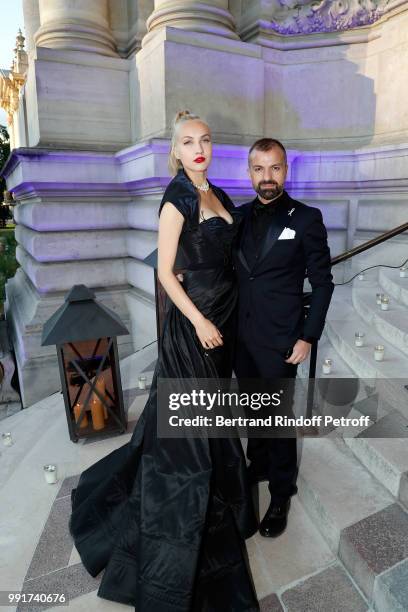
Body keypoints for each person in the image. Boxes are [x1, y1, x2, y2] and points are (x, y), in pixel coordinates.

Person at [69, 111, 260, 612]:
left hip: (225, 322)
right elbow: (165, 275)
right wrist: (198, 322)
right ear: (175, 151)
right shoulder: (177, 197)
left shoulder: (215, 191)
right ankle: (177, 536)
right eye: (188, 142)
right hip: (196, 328)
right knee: (190, 436)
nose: (199, 148)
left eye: (206, 140)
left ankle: (220, 498)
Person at [233, 138, 334, 539]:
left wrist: (308, 337)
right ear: (250, 173)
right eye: (259, 169)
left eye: (274, 168)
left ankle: (281, 492)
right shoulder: (237, 218)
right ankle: (259, 464)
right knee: (253, 410)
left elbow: (323, 284)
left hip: (282, 340)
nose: (267, 177)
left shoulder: (306, 218)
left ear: (286, 171)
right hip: (241, 336)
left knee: (277, 419)